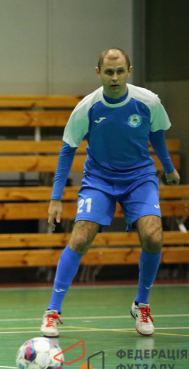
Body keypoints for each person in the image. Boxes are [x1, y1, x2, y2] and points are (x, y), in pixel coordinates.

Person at [40, 48, 180, 338]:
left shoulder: (148, 101)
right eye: (108, 72)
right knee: (80, 237)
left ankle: (141, 304)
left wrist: (168, 168)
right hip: (99, 179)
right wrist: (55, 198)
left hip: (140, 178)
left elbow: (157, 134)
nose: (114, 77)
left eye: (119, 71)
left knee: (154, 237)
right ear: (98, 73)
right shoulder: (87, 107)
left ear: (129, 71)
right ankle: (52, 311)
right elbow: (68, 150)